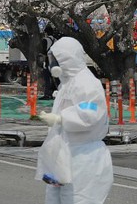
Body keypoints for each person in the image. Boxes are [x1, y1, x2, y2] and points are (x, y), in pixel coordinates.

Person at [36, 37, 112, 204]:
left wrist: (60, 118)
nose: (52, 64)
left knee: (78, 199)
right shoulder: (68, 83)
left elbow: (90, 113)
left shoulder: (87, 84)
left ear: (66, 59)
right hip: (65, 153)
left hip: (84, 156)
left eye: (55, 59)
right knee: (55, 199)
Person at [40, 26, 57, 100]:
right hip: (55, 60)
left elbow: (43, 52)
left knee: (47, 78)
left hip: (47, 60)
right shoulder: (56, 40)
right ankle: (56, 93)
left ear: (46, 33)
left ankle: (47, 94)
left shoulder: (45, 40)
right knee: (56, 78)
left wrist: (43, 61)